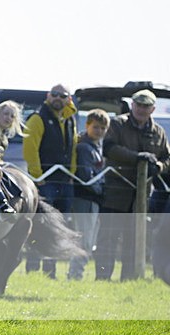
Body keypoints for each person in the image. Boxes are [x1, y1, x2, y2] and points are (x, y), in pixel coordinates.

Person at [95, 89, 170, 281]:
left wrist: (159, 166)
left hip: (142, 197)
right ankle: (102, 278)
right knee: (108, 237)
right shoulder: (118, 124)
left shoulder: (159, 132)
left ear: (152, 109)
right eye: (138, 105)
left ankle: (129, 279)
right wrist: (137, 158)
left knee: (135, 240)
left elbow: (167, 157)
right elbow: (109, 149)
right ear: (132, 105)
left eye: (146, 106)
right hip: (116, 192)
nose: (141, 109)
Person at [23, 84, 78, 278]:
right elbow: (30, 149)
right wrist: (38, 177)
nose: (58, 98)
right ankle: (32, 268)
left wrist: (71, 175)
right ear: (48, 96)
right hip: (44, 182)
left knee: (58, 226)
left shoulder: (70, 119)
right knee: (39, 225)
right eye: (54, 94)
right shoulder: (38, 118)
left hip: (64, 182)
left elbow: (73, 148)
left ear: (68, 99)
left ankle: (50, 271)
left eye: (63, 95)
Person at [68, 109, 109, 280]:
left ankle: (76, 274)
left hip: (92, 199)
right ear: (87, 125)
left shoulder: (96, 146)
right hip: (84, 197)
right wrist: (102, 190)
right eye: (95, 127)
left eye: (102, 128)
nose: (98, 131)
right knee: (84, 240)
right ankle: (75, 275)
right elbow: (85, 176)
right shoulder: (84, 147)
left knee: (89, 239)